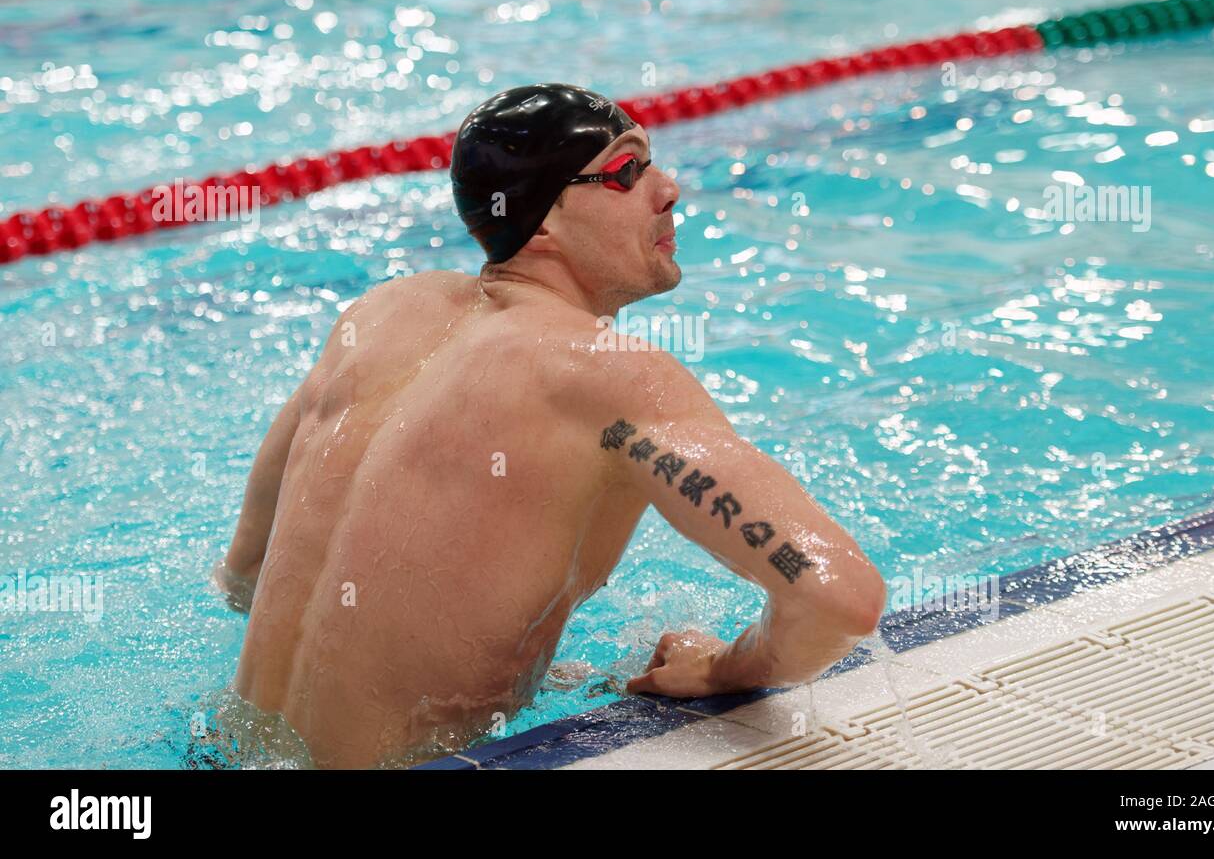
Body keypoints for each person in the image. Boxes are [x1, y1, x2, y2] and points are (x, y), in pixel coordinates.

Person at [216, 83, 886, 769]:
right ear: (542, 222)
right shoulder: (606, 373)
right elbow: (838, 599)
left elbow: (243, 575)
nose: (670, 189)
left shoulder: (379, 316)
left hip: (220, 754)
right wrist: (722, 672)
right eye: (628, 172)